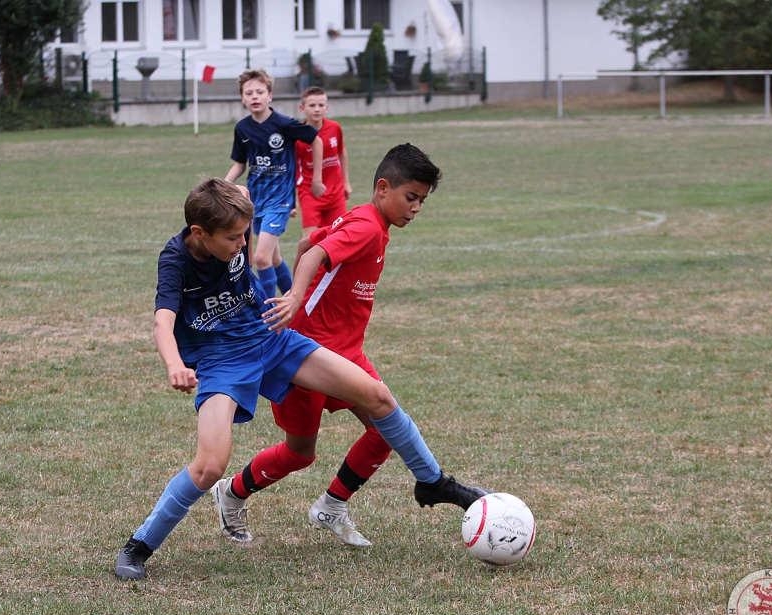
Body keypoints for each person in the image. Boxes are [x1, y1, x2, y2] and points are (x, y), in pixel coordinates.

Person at [114, 177, 485, 579]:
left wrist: (242, 196)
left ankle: (433, 482)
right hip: (222, 361)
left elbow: (243, 194)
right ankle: (138, 547)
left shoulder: (233, 220)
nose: (242, 244)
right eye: (233, 238)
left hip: (272, 338)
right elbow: (162, 322)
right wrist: (174, 364)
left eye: (244, 234)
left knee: (378, 397)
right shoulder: (175, 261)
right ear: (199, 233)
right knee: (209, 467)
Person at [212, 144, 490, 549]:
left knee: (385, 428)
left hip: (347, 352)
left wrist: (301, 293)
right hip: (307, 355)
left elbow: (305, 244)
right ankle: (231, 491)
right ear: (383, 188)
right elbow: (315, 253)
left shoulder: (367, 221)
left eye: (422, 201)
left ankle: (332, 505)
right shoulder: (365, 227)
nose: (416, 208)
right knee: (300, 453)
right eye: (411, 197)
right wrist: (296, 297)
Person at [225, 69, 323, 301]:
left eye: (260, 92)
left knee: (261, 258)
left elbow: (316, 140)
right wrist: (224, 184)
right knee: (274, 258)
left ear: (270, 96)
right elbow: (241, 164)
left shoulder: (284, 124)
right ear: (242, 98)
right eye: (249, 93)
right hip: (255, 202)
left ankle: (266, 312)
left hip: (280, 201)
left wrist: (317, 178)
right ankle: (298, 301)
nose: (255, 96)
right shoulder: (242, 128)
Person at [292, 86, 352, 270]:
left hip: (335, 193)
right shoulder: (298, 136)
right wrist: (292, 199)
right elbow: (294, 169)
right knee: (309, 241)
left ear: (327, 107)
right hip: (310, 193)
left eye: (320, 105)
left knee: (338, 239)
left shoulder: (335, 128)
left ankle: (331, 280)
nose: (316, 109)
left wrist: (346, 183)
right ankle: (300, 281)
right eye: (312, 105)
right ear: (302, 108)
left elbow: (341, 153)